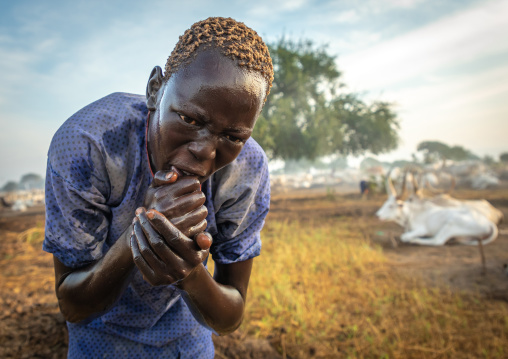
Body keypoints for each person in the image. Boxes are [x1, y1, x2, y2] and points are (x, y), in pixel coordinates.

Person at [43, 17, 273, 358]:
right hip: (99, 342)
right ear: (155, 89)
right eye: (190, 120)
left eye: (233, 137)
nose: (206, 151)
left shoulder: (246, 170)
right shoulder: (88, 145)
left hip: (187, 343)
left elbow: (230, 316)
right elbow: (74, 306)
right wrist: (143, 234)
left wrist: (191, 273)